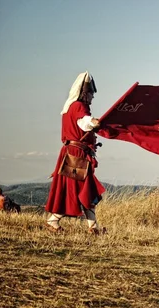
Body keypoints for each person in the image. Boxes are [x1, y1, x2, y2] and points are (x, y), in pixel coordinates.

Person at [44, 71, 106, 234]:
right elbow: (85, 123)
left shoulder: (69, 107)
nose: (92, 98)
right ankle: (53, 220)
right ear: (85, 93)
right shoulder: (79, 106)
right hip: (76, 155)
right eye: (91, 94)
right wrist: (95, 122)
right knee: (76, 190)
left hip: (73, 153)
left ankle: (93, 228)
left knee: (88, 190)